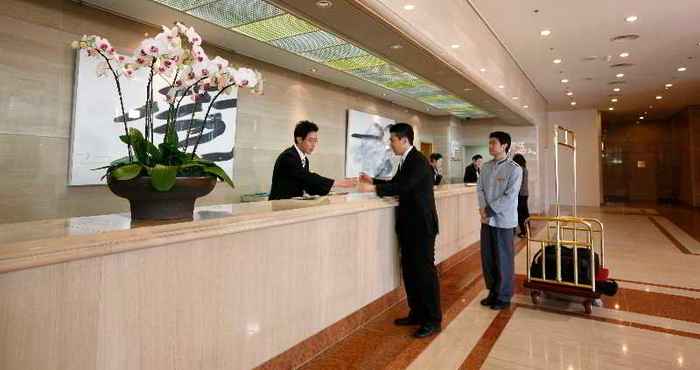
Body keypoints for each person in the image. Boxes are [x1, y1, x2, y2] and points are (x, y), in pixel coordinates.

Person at [357, 123, 442, 338]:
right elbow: (397, 182)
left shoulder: (419, 162)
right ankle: (416, 313)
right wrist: (373, 181)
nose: (390, 143)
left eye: (392, 140)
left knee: (424, 273)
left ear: (404, 140)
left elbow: (404, 188)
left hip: (421, 228)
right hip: (409, 227)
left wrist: (374, 189)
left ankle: (432, 319)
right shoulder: (406, 161)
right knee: (410, 271)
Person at [477, 132, 522, 310]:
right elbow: (479, 189)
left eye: (493, 143)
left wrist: (489, 210)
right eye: (489, 143)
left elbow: (510, 196)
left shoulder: (514, 169)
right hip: (487, 221)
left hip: (503, 221)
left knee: (504, 259)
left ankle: (504, 295)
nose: (490, 147)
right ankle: (493, 291)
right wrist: (482, 209)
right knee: (488, 258)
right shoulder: (486, 167)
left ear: (504, 146)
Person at [269, 120, 354, 200]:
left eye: (315, 141)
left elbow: (308, 184)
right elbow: (306, 177)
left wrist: (330, 192)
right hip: (280, 207)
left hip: (293, 206)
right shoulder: (288, 157)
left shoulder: (305, 159)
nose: (313, 145)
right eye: (310, 140)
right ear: (299, 139)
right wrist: (337, 183)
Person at [512, 154, 530, 238]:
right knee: (525, 213)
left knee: (519, 214)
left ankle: (523, 232)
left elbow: (517, 183)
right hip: (525, 194)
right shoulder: (525, 169)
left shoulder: (519, 169)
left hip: (520, 194)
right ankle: (527, 230)